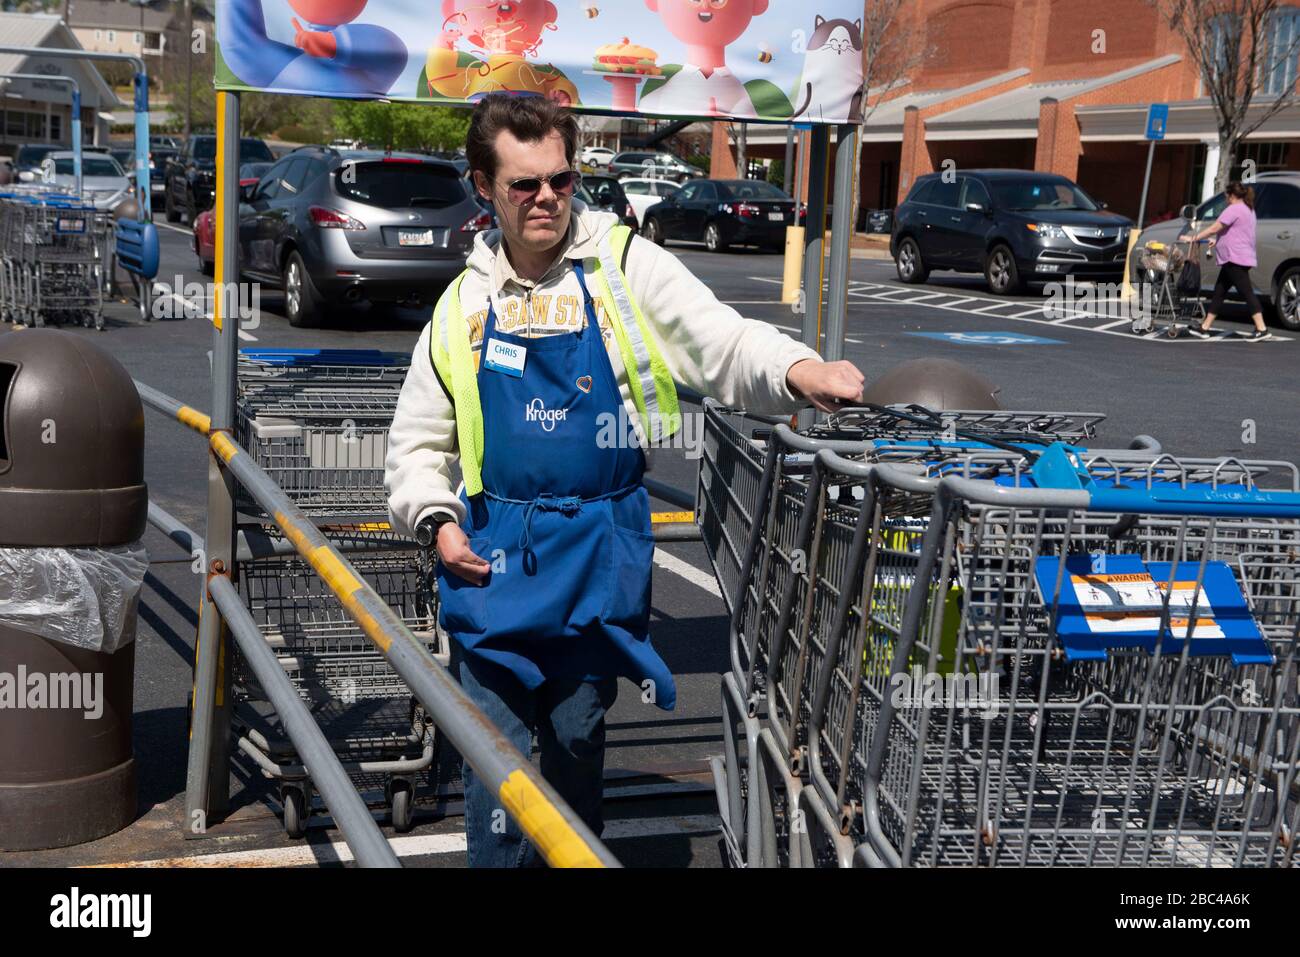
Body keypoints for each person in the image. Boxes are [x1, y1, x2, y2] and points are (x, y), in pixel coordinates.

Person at [385, 93, 864, 867]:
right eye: (524, 185)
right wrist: (437, 519)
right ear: (483, 187)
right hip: (493, 560)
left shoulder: (624, 266)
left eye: (562, 181)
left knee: (577, 737)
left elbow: (720, 341)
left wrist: (797, 368)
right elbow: (416, 443)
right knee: (495, 765)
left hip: (598, 554)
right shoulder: (460, 307)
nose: (547, 199)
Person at [1183, 182, 1270, 342]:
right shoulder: (1248, 210)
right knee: (1219, 292)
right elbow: (1238, 233)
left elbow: (1214, 228)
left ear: (1231, 195)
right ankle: (1205, 327)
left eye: (1225, 196)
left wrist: (1193, 238)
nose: (1225, 200)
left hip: (1234, 258)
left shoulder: (1234, 209)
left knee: (1247, 292)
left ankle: (1261, 328)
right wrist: (1218, 242)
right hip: (1240, 256)